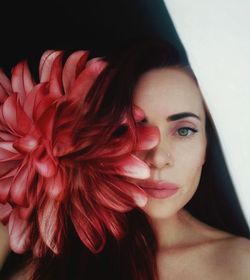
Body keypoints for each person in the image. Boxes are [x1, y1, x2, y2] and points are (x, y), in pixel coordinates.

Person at [1, 39, 250, 280]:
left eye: (184, 130)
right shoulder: (55, 268)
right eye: (132, 128)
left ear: (206, 145)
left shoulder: (241, 261)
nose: (158, 158)